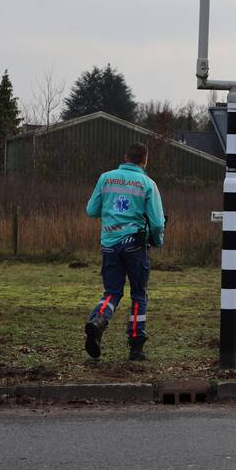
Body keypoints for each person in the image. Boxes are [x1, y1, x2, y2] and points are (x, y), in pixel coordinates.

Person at [84, 142, 165, 361]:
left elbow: (91, 210)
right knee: (138, 294)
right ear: (144, 160)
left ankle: (98, 321)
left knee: (112, 292)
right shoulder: (147, 184)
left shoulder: (106, 178)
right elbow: (157, 223)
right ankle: (136, 346)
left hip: (109, 244)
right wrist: (157, 240)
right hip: (135, 246)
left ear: (125, 157)